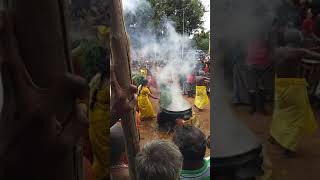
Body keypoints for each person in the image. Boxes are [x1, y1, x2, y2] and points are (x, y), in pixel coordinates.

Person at [269, 28, 320, 157]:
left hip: (279, 87)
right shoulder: (298, 51)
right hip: (293, 89)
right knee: (298, 117)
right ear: (298, 39)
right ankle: (289, 148)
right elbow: (310, 54)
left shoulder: (278, 50)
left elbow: (306, 52)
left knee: (281, 113)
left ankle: (274, 137)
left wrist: (313, 49)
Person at [88, 49, 110, 179]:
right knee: (105, 157)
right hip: (103, 123)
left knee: (98, 156)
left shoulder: (96, 78)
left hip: (94, 120)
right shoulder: (109, 86)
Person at [246, 31, 273, 115]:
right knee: (254, 88)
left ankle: (258, 108)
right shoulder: (252, 42)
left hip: (262, 67)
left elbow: (270, 54)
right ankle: (255, 108)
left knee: (260, 88)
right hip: (256, 67)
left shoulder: (266, 43)